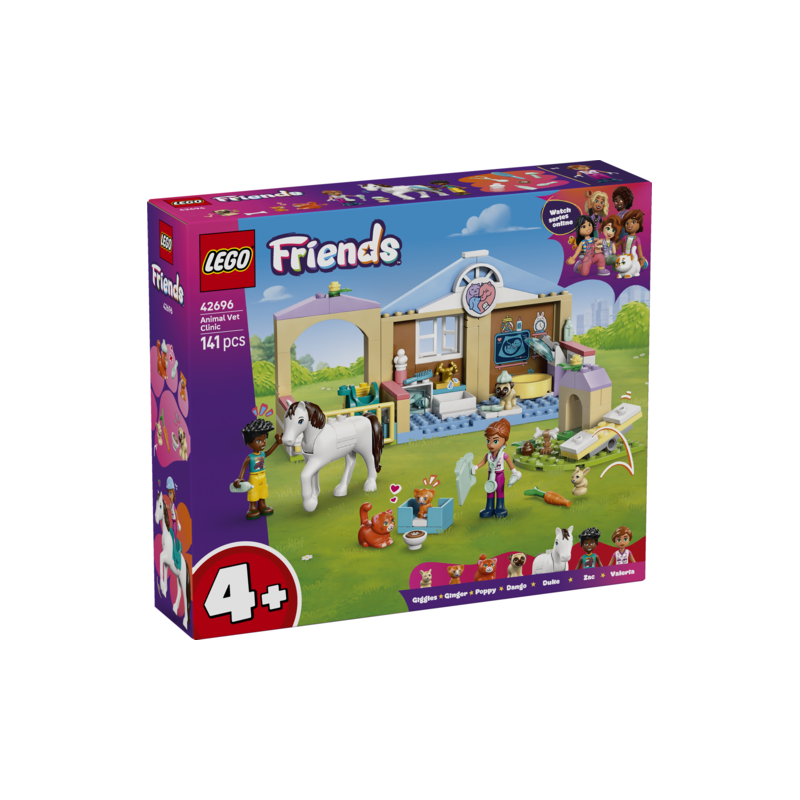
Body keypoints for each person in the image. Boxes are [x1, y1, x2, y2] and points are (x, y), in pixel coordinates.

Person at [234, 418, 283, 519]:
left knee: (262, 490)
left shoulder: (262, 454)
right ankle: (252, 508)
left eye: (264, 439)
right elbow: (244, 467)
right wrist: (240, 478)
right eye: (259, 441)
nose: (263, 443)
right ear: (248, 441)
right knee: (253, 491)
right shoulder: (250, 457)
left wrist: (277, 443)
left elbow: (269, 452)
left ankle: (262, 505)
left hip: (262, 476)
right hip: (254, 477)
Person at [472, 418, 521, 518]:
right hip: (490, 475)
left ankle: (500, 507)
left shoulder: (503, 455)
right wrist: (475, 467)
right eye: (488, 440)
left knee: (499, 491)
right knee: (489, 490)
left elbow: (511, 465)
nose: (490, 445)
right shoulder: (488, 455)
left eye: (495, 441)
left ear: (504, 440)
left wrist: (514, 473)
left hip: (499, 475)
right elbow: (483, 462)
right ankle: (489, 508)